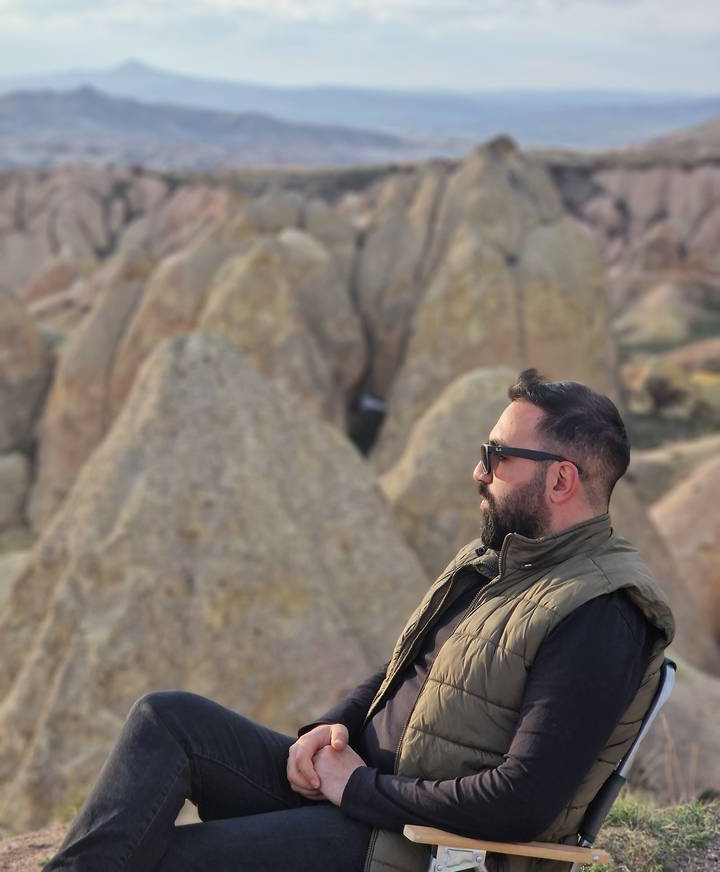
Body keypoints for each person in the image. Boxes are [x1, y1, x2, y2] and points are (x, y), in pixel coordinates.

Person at [45, 369, 674, 872]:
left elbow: (522, 804)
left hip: (418, 846)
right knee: (167, 718)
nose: (478, 472)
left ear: (561, 479)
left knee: (162, 860)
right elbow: (404, 672)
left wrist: (358, 791)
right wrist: (329, 730)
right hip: (366, 797)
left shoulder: (600, 612)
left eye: (497, 455)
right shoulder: (500, 561)